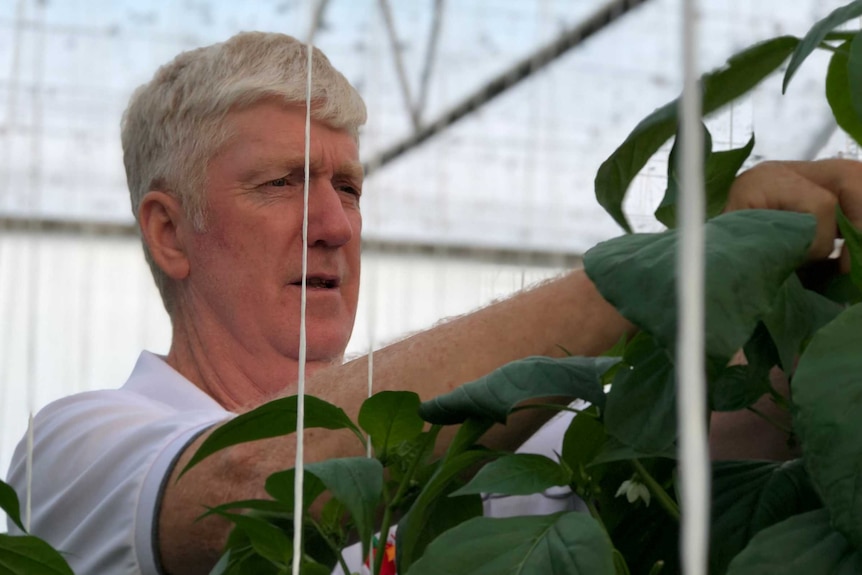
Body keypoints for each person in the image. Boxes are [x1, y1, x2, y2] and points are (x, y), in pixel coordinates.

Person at [5, 31, 862, 575]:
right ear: (169, 232)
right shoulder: (79, 452)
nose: (335, 223)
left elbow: (747, 442)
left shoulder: (494, 449)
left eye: (348, 186)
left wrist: (811, 309)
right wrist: (662, 271)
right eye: (281, 183)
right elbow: (253, 482)